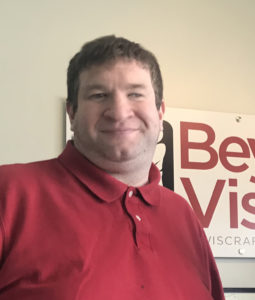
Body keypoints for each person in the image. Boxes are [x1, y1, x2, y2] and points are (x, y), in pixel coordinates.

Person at [0, 35, 225, 299]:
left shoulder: (182, 214)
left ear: (160, 112)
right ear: (72, 113)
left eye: (135, 94)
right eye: (99, 95)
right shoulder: (10, 191)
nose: (119, 111)